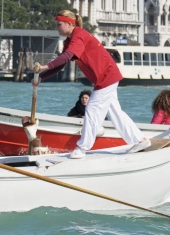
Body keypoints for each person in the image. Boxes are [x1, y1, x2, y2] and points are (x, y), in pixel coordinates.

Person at [33, 10, 148, 159]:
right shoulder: (69, 40)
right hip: (106, 76)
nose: (57, 27)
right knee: (115, 113)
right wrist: (41, 78)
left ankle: (82, 148)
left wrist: (45, 66)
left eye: (59, 24)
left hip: (106, 76)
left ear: (69, 24)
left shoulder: (78, 35)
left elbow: (67, 56)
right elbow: (62, 65)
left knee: (92, 109)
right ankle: (140, 140)